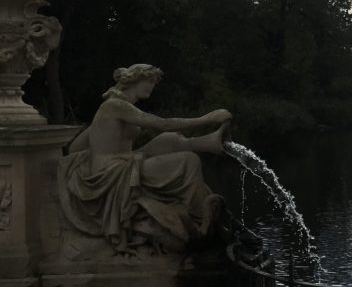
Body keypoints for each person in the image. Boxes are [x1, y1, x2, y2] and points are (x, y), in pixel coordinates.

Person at [59, 64, 231, 255]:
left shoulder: (112, 107)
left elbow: (75, 147)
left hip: (121, 163)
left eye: (154, 82)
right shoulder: (115, 105)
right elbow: (162, 123)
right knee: (189, 161)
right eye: (149, 81)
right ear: (134, 80)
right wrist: (207, 119)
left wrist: (99, 146)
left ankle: (210, 144)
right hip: (113, 171)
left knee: (168, 140)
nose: (152, 86)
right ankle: (199, 219)